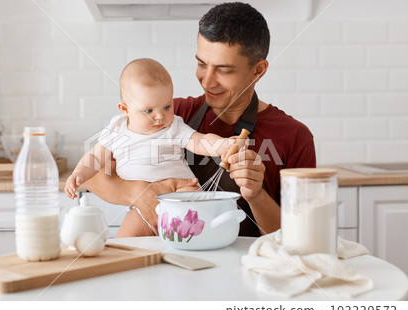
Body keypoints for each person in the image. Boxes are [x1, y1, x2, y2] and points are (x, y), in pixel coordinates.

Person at [86, 2, 316, 237]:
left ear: (258, 70)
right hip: (171, 267)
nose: (207, 81)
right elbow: (91, 174)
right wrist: (137, 191)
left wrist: (256, 195)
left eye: (224, 70)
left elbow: (303, 237)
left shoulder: (294, 137)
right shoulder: (170, 116)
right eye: (201, 64)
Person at [65, 58, 236, 236]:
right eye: (149, 111)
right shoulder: (117, 130)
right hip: (142, 204)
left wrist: (223, 144)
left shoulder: (173, 127)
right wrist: (78, 174)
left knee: (197, 209)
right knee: (126, 238)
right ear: (125, 109)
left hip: (179, 191)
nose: (160, 117)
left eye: (167, 107)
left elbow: (200, 141)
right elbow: (94, 158)